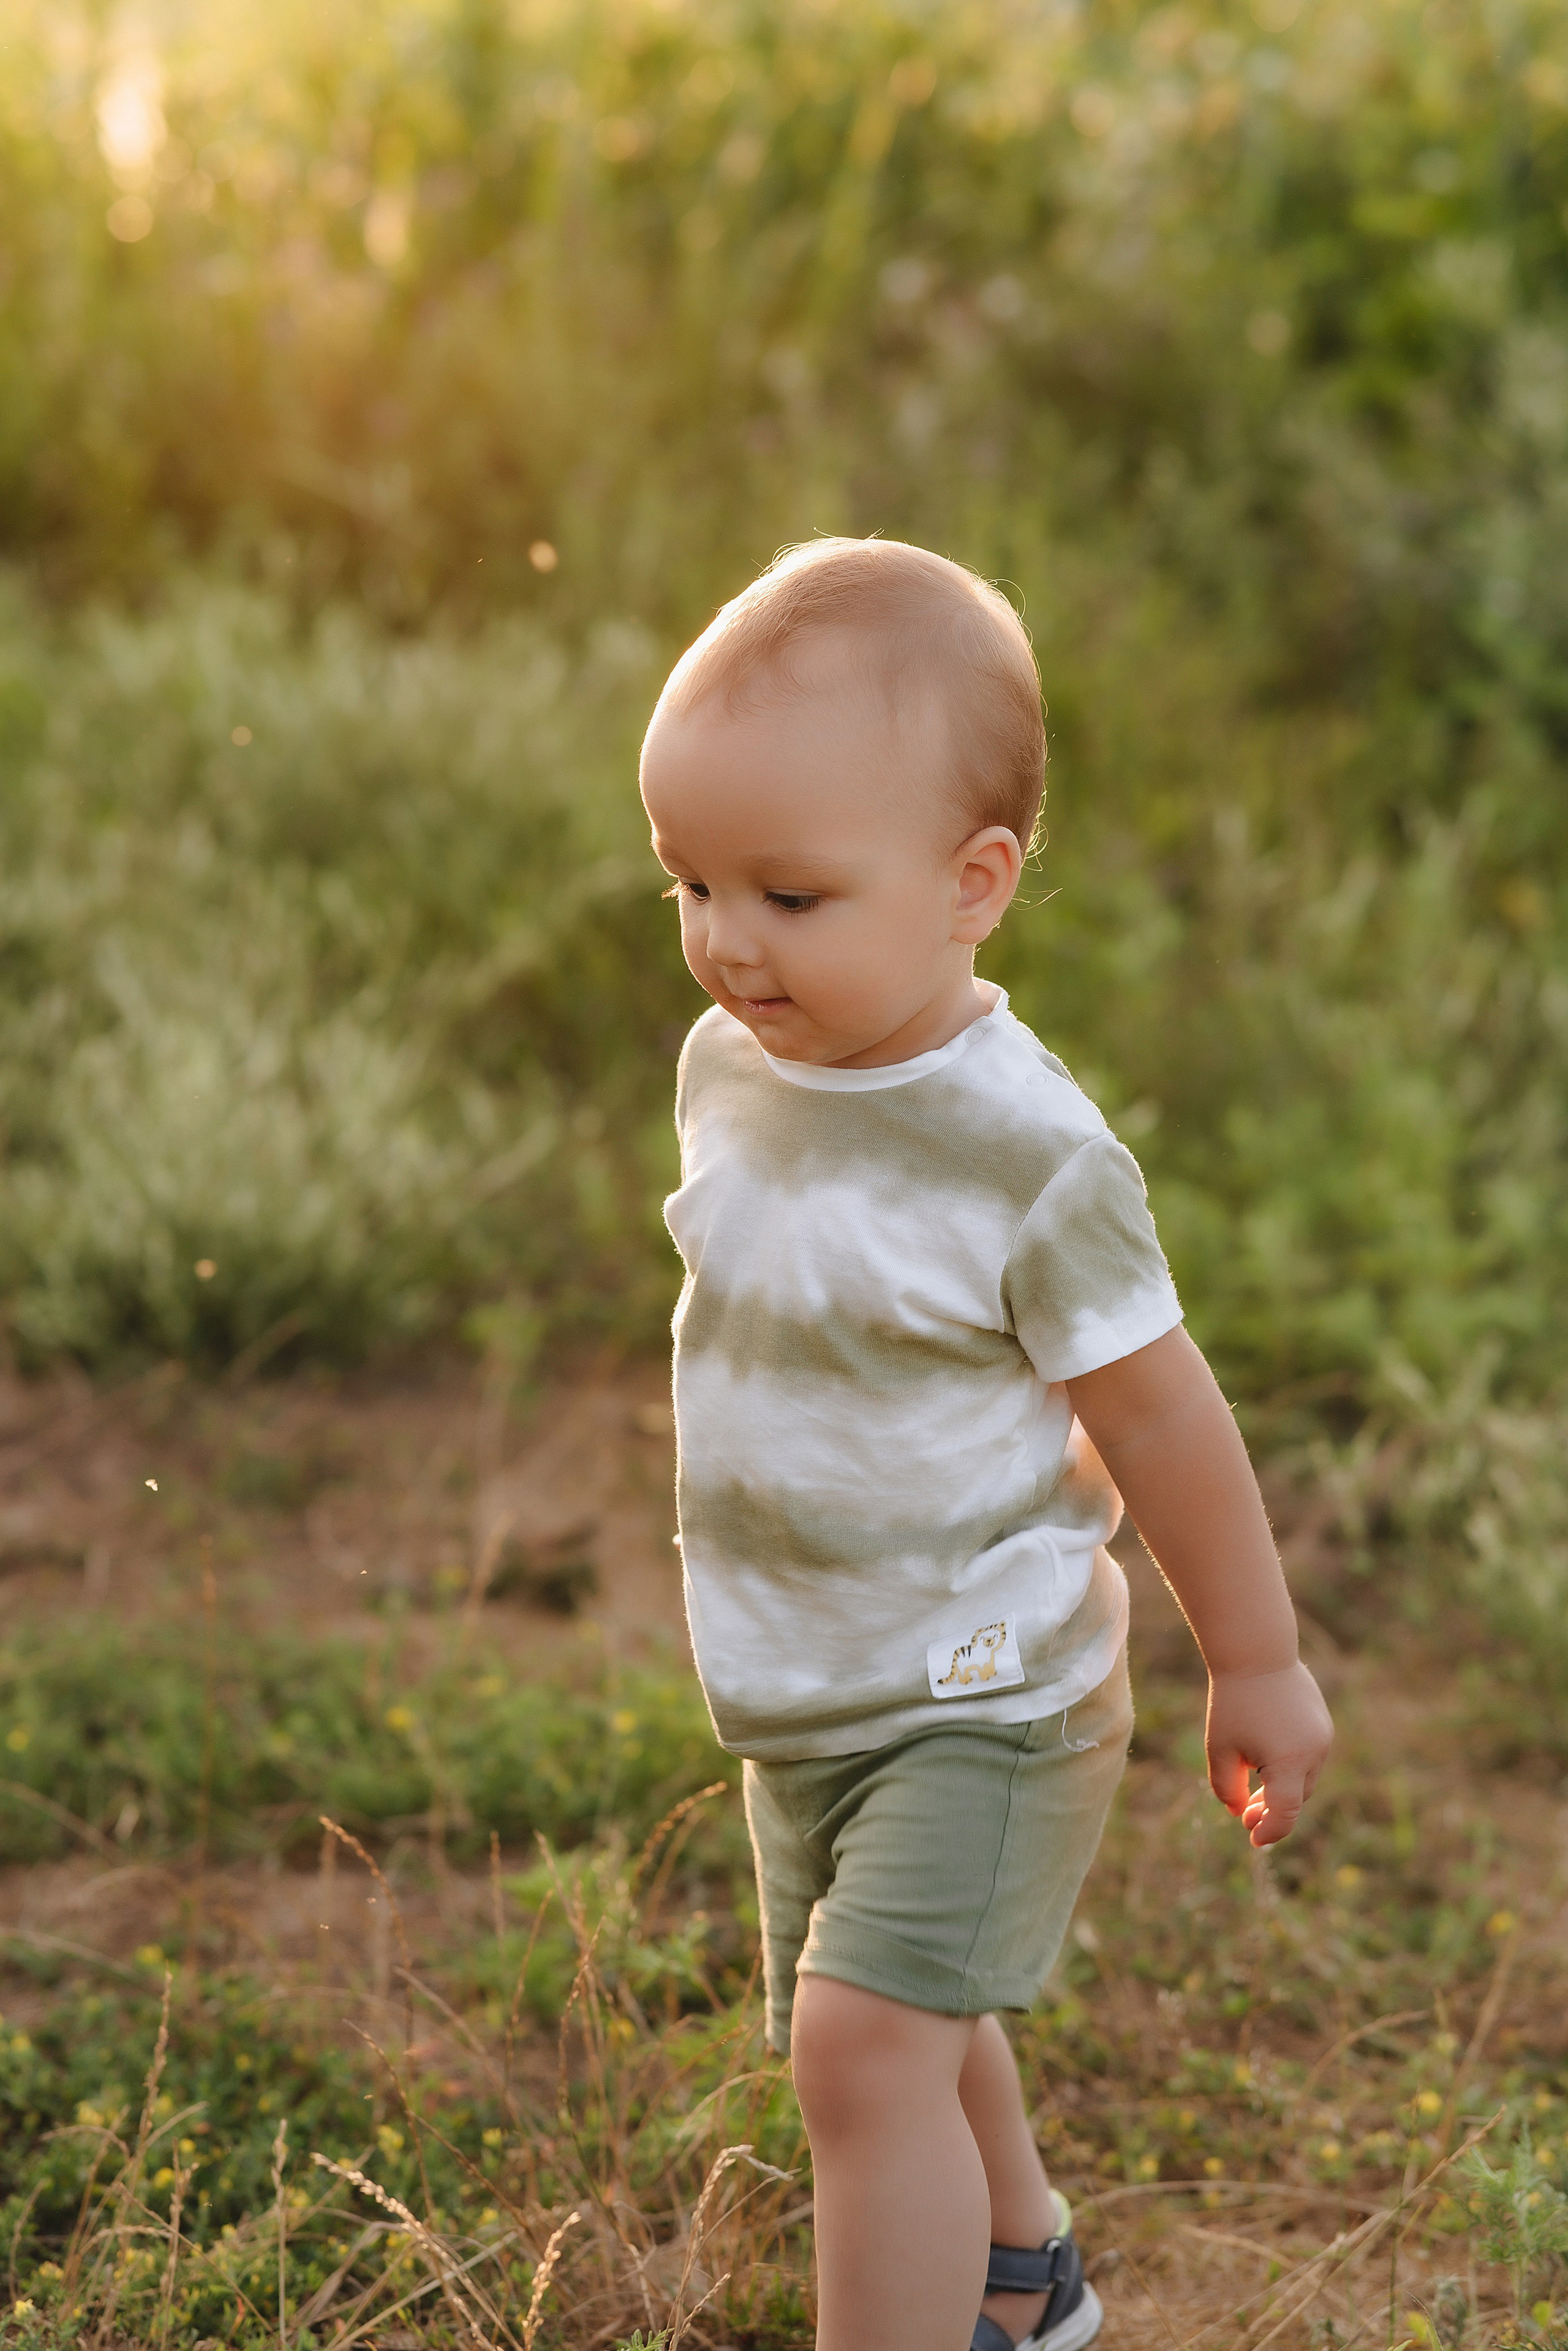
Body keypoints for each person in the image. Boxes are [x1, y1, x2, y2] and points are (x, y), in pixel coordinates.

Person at [639, 537, 1334, 2351]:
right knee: (912, 2008)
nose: (727, 941)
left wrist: (1253, 1658)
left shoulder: (1030, 1157)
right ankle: (1022, 2278)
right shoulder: (736, 1066)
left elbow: (1164, 1411)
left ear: (975, 882)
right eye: (689, 883)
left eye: (790, 894)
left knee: (860, 2049)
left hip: (987, 1683)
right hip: (811, 1677)